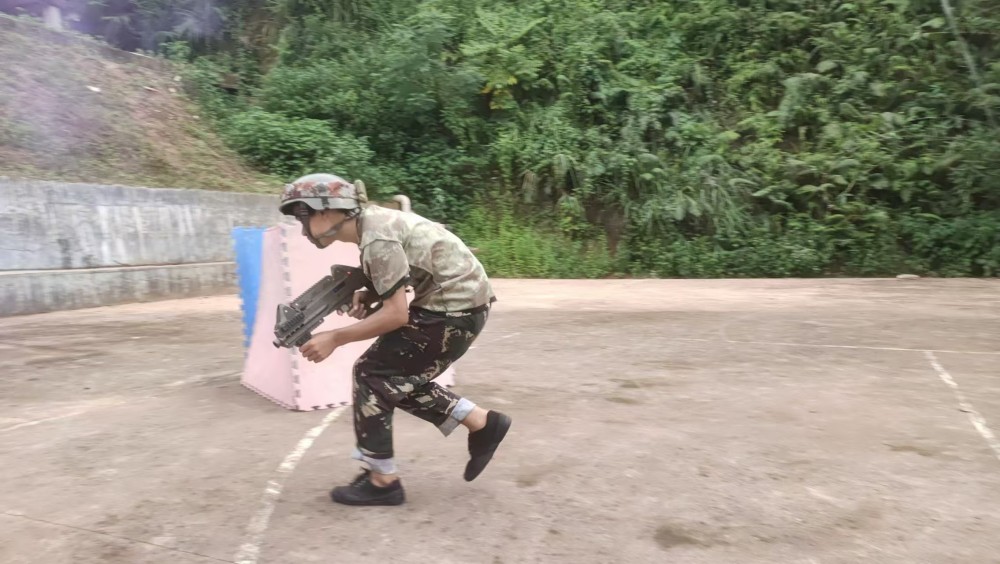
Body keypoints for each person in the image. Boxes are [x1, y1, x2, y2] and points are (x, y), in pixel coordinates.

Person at [277, 173, 511, 506]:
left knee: (372, 374)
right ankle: (482, 423)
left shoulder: (376, 239)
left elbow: (396, 315)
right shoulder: (373, 225)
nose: (302, 229)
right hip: (461, 303)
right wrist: (372, 294)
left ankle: (383, 481)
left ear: (325, 212)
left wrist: (334, 338)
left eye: (303, 217)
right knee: (389, 380)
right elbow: (406, 272)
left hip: (454, 310)